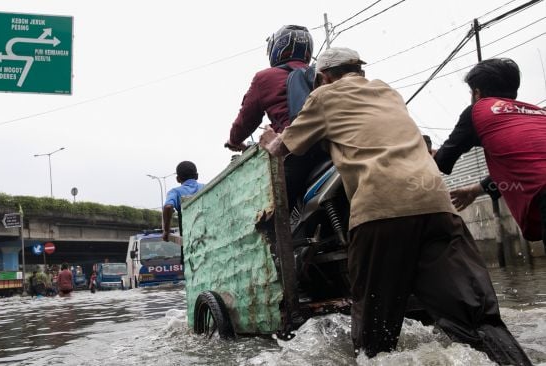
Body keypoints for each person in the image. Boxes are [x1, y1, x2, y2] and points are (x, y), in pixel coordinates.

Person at [259, 47, 531, 364]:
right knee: (477, 319)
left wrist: (268, 140)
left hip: (380, 213)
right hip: (439, 209)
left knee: (376, 339)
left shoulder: (323, 96)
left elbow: (284, 148)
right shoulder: (389, 92)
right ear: (360, 70)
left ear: (323, 77)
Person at [433, 58, 546, 250]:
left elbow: (442, 161)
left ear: (477, 93)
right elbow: (526, 168)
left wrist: (426, 155)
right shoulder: (538, 113)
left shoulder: (477, 111)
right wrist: (476, 190)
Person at [225, 24, 328, 209]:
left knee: (265, 211)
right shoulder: (322, 73)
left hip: (292, 151)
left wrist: (233, 141)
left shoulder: (265, 78)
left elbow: (245, 120)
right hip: (330, 143)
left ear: (278, 49)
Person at [162, 161, 205, 242]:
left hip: (188, 241)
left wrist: (166, 231)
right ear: (197, 176)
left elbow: (168, 207)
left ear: (178, 179)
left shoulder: (175, 192)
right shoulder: (205, 188)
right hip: (209, 238)